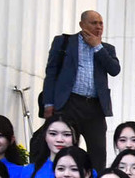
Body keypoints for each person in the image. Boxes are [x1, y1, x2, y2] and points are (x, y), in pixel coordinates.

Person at [41, 10, 122, 167]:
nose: (98, 27)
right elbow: (51, 73)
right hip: (69, 103)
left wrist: (97, 47)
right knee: (65, 147)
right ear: (82, 24)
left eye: (101, 23)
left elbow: (114, 70)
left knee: (98, 151)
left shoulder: (106, 48)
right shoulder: (63, 42)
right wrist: (48, 103)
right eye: (94, 23)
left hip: (95, 106)